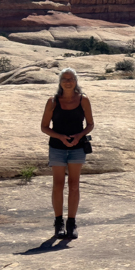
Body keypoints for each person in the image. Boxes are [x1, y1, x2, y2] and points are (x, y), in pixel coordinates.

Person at [40, 67, 94, 239]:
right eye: (65, 79)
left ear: (76, 81)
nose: (68, 82)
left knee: (74, 185)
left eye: (71, 79)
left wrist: (79, 136)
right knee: (58, 185)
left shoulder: (83, 100)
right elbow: (44, 127)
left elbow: (90, 124)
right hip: (57, 147)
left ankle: (71, 222)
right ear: (60, 82)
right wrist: (61, 137)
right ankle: (58, 223)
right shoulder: (53, 101)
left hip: (77, 147)